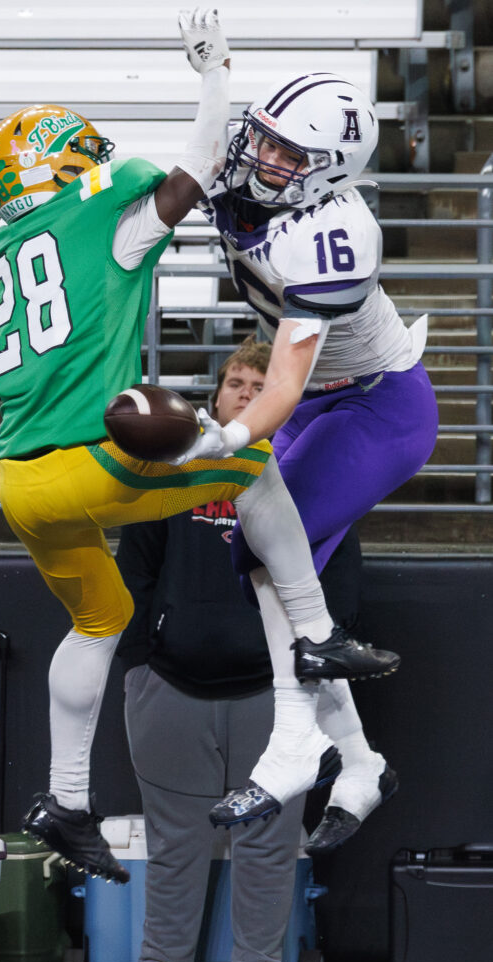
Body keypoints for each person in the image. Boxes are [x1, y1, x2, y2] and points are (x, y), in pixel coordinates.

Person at [0, 17, 397, 883]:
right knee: (253, 461)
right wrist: (217, 76)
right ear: (60, 168)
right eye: (80, 156)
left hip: (17, 481)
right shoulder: (104, 227)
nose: (97, 163)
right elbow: (196, 167)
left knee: (99, 619)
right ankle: (313, 634)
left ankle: (65, 801)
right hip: (92, 460)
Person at [172, 71, 438, 840]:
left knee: (266, 552)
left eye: (292, 153)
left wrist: (226, 436)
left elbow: (284, 382)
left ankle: (295, 744)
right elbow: (180, 171)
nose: (265, 158)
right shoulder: (242, 167)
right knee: (260, 561)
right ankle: (357, 762)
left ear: (332, 168)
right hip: (324, 396)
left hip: (374, 404)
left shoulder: (335, 232)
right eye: (266, 138)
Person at [116, 339, 366, 962]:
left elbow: (339, 584)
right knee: (174, 840)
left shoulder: (313, 478)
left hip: (272, 692)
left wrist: (307, 682)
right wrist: (139, 665)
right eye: (236, 382)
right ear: (217, 395)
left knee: (270, 840)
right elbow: (133, 575)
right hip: (170, 682)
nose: (247, 393)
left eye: (263, 383)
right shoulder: (174, 471)